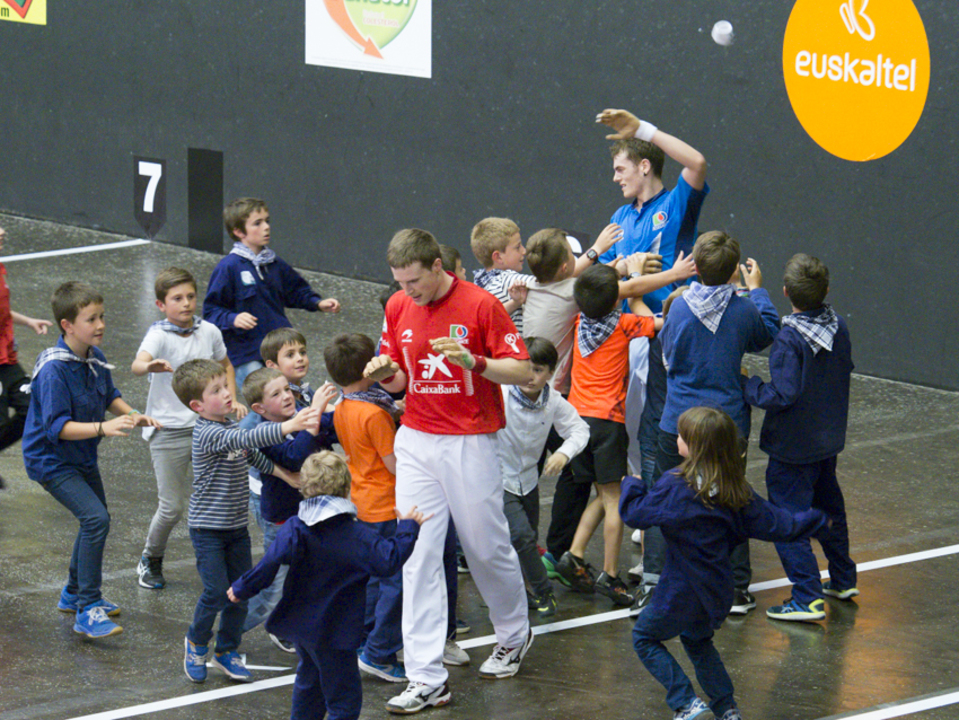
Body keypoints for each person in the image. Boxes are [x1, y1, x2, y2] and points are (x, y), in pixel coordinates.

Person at [365, 228, 533, 714]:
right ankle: (426, 677)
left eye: (414, 281)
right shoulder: (398, 306)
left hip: (470, 441)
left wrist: (474, 361)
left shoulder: (481, 305)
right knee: (415, 554)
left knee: (484, 547)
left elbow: (522, 370)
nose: (407, 291)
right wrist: (385, 375)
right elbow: (401, 379)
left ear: (437, 266)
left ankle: (513, 634)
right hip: (417, 439)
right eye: (400, 282)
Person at [620, 406, 829, 720]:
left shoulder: (675, 486)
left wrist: (632, 486)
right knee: (698, 641)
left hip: (680, 590)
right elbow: (780, 525)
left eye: (681, 435)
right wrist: (819, 520)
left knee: (645, 638)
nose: (677, 438)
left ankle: (686, 703)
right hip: (717, 590)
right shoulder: (737, 490)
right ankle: (726, 708)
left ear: (694, 446)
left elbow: (635, 514)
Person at [228, 451, 428, 720]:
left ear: (304, 486)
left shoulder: (295, 527)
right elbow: (388, 561)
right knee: (344, 701)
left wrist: (243, 587)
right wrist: (408, 529)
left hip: (302, 627)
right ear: (346, 487)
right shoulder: (356, 534)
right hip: (336, 632)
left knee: (309, 686)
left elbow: (270, 562)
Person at [645, 231, 780, 617]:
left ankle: (653, 583)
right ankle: (735, 587)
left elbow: (668, 353)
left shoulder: (679, 309)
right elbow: (768, 333)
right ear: (734, 271)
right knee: (731, 497)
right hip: (726, 423)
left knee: (664, 497)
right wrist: (757, 291)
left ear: (697, 268)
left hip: (678, 421)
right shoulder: (744, 311)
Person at [22, 281, 159, 638]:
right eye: (91, 319)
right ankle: (88, 607)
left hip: (81, 456)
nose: (100, 325)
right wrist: (103, 427)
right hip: (51, 461)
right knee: (96, 519)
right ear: (67, 325)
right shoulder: (54, 370)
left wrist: (133, 414)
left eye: (102, 316)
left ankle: (72, 592)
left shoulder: (94, 357)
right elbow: (57, 428)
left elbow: (110, 394)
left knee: (95, 520)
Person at [171, 358, 317, 684]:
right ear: (197, 406)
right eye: (216, 391)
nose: (227, 393)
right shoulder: (209, 433)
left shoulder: (228, 427)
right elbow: (248, 441)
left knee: (240, 592)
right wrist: (290, 426)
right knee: (215, 592)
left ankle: (227, 650)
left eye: (225, 386)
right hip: (208, 530)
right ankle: (196, 641)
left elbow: (253, 456)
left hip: (236, 528)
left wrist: (286, 476)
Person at [744, 254, 857, 621]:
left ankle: (807, 596)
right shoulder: (838, 326)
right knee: (830, 510)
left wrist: (748, 385)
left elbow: (782, 394)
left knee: (788, 520)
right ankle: (843, 579)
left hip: (792, 449)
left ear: (785, 292)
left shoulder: (789, 339)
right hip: (827, 441)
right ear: (826, 289)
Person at [132, 266, 247, 590]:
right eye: (177, 298)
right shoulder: (158, 334)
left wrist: (231, 399)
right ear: (160, 304)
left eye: (190, 296)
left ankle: (222, 558)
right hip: (168, 432)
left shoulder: (209, 331)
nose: (185, 303)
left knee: (222, 496)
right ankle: (150, 558)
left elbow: (226, 364)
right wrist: (149, 365)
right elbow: (137, 365)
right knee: (171, 508)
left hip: (207, 429)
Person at [553, 265, 659, 606]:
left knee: (602, 493)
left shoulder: (576, 322)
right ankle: (611, 576)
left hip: (576, 423)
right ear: (617, 299)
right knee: (615, 499)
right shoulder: (625, 324)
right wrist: (641, 293)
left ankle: (574, 554)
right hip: (607, 422)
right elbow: (658, 324)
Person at [239, 367, 337, 645]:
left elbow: (333, 427)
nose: (286, 396)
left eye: (286, 390)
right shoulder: (263, 432)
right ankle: (221, 634)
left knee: (312, 576)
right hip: (283, 522)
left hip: (312, 515)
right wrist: (315, 412)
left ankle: (294, 625)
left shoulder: (300, 415)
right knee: (272, 591)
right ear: (259, 408)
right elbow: (295, 457)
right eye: (275, 394)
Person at [202, 197, 341, 390]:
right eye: (257, 223)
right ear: (238, 231)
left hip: (278, 347)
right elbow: (210, 312)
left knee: (291, 393)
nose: (266, 227)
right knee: (266, 394)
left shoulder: (274, 263)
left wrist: (317, 303)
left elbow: (295, 290)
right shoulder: (229, 267)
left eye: (267, 221)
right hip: (246, 352)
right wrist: (233, 318)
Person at [495, 336, 589, 616]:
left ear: (551, 373)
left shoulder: (554, 402)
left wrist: (563, 453)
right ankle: (544, 592)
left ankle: (516, 593)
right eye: (525, 368)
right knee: (522, 537)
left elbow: (580, 430)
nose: (530, 376)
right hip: (497, 479)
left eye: (538, 370)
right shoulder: (499, 393)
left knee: (526, 536)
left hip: (528, 481)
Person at [594, 108, 709, 314]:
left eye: (620, 170)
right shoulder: (619, 217)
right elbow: (599, 282)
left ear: (644, 166)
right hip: (631, 327)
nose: (615, 178)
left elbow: (697, 164)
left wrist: (643, 130)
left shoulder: (676, 204)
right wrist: (623, 269)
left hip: (672, 323)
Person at [0, 226, 52, 489]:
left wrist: (28, 321)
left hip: (6, 358)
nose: (2, 231)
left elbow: (3, 310)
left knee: (32, 405)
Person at [469, 217, 536, 333]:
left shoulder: (478, 286)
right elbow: (546, 282)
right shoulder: (505, 280)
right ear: (498, 257)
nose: (524, 251)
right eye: (518, 247)